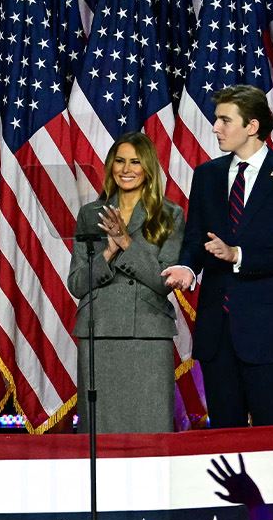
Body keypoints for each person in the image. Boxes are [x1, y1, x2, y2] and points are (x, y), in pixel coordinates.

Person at [162, 84, 273, 429]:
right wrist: (188, 266)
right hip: (218, 333)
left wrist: (238, 255)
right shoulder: (207, 175)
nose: (215, 127)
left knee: (270, 437)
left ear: (252, 126)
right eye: (217, 119)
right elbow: (196, 238)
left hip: (268, 334)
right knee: (224, 436)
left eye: (224, 120)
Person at [67, 132, 185, 434]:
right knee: (101, 434)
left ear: (147, 167)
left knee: (150, 432)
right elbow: (78, 283)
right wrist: (108, 250)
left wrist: (125, 241)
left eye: (135, 161)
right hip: (100, 333)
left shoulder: (169, 214)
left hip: (147, 336)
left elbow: (163, 283)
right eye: (119, 161)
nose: (126, 169)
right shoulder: (91, 214)